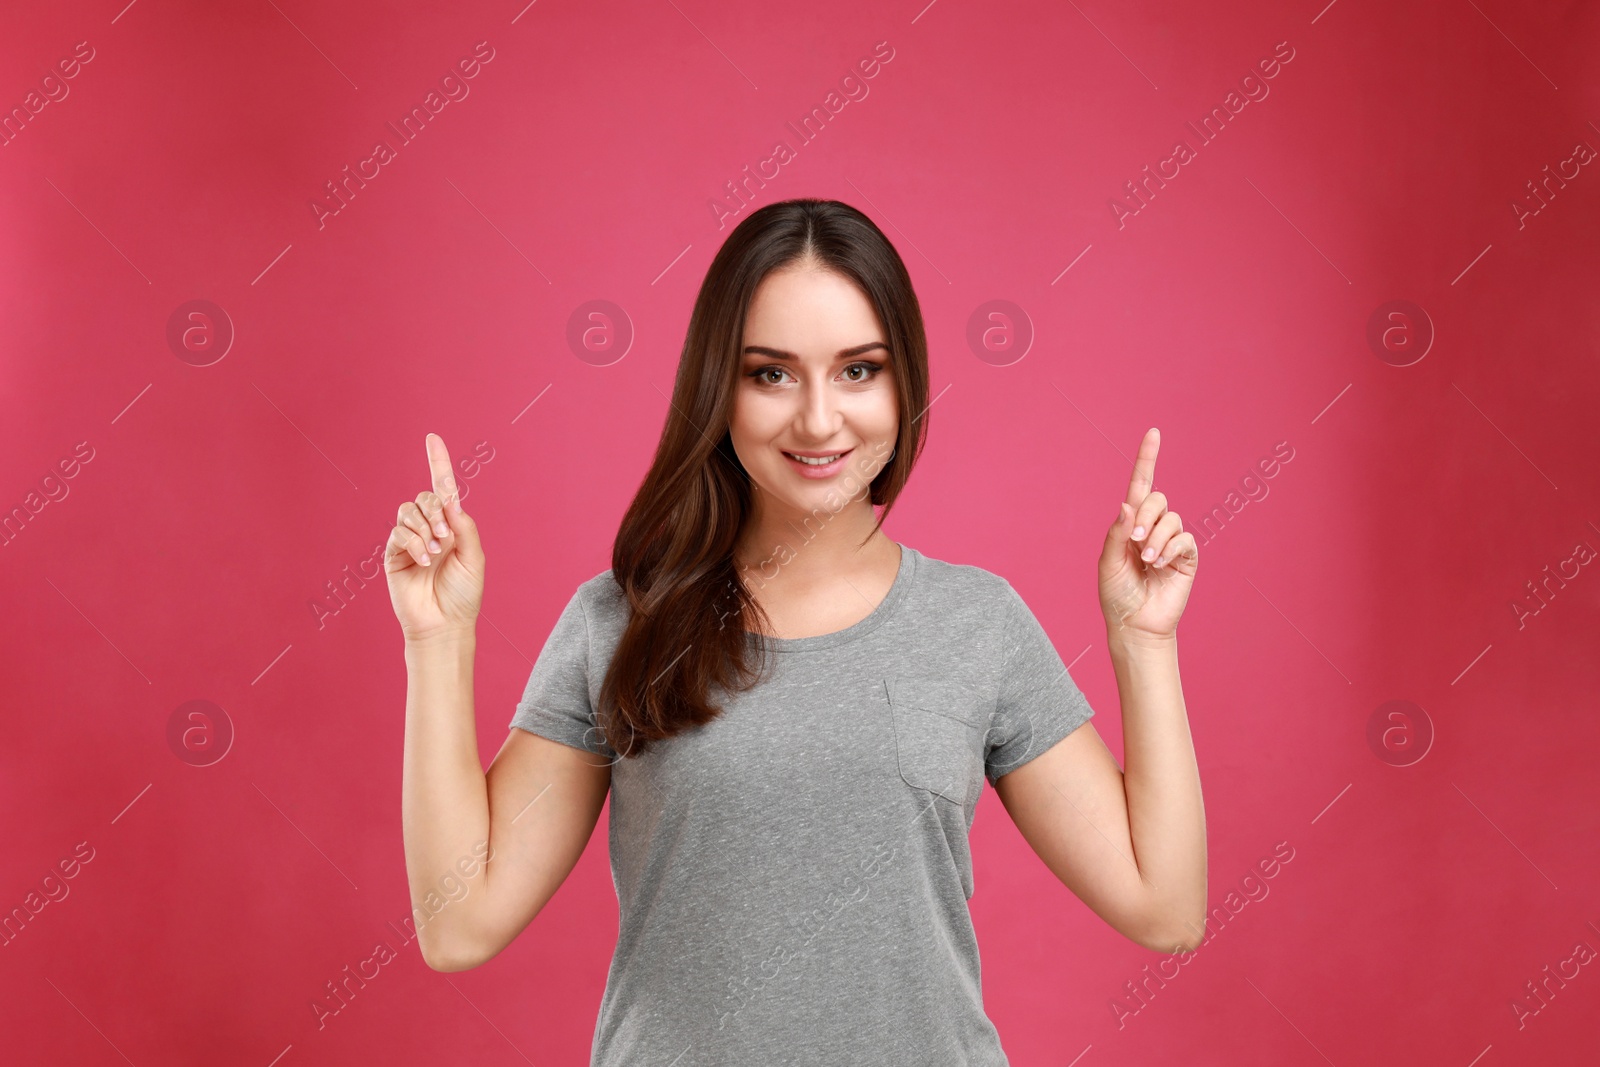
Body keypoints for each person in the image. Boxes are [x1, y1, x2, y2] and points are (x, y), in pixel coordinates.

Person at [387, 198, 1205, 1065]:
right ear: (718, 388)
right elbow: (459, 924)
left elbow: (1167, 905)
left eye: (859, 370)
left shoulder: (976, 623)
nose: (819, 421)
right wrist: (436, 642)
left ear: (906, 383)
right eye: (771, 374)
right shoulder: (624, 622)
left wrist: (1144, 643)